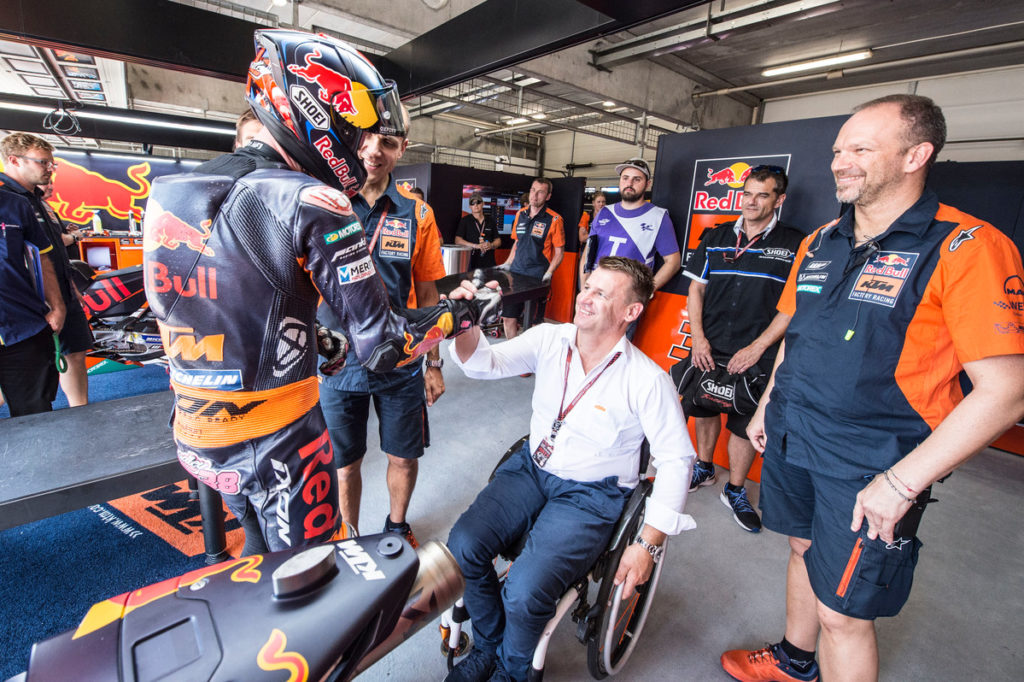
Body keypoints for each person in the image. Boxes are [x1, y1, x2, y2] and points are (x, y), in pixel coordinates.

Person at [144, 29, 497, 556]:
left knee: (253, 563)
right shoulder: (313, 199)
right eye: (353, 128)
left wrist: (319, 342)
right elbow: (384, 345)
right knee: (309, 584)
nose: (361, 145)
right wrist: (461, 315)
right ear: (314, 111)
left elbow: (219, 301)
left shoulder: (171, 190)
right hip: (280, 438)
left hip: (197, 432)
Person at [721, 95, 1024, 682]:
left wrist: (902, 482)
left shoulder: (967, 246)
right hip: (792, 433)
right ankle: (792, 661)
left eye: (860, 149)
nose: (840, 162)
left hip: (872, 462)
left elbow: (1007, 391)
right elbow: (797, 334)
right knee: (802, 548)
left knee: (844, 614)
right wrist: (767, 405)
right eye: (839, 150)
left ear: (916, 155)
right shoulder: (820, 241)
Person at [445, 256, 697, 682]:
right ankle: (489, 644)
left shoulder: (647, 380)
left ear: (631, 311)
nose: (585, 297)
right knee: (463, 546)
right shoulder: (550, 338)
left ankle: (512, 671)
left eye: (602, 294)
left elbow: (676, 459)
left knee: (525, 591)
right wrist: (466, 323)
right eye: (587, 287)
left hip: (591, 494)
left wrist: (648, 543)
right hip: (532, 468)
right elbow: (483, 363)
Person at [317, 102, 448, 546]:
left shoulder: (418, 214)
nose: (374, 151)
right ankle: (348, 537)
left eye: (387, 142)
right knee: (344, 465)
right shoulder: (325, 204)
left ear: (402, 148)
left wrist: (434, 363)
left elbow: (428, 296)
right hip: (336, 363)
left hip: (401, 362)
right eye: (367, 139)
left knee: (404, 457)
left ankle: (396, 527)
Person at [682, 165, 804, 533]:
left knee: (744, 421)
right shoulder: (716, 235)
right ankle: (704, 468)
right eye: (747, 193)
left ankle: (735, 489)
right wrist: (698, 338)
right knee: (703, 404)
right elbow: (696, 289)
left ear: (779, 200)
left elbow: (792, 306)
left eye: (762, 195)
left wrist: (758, 347)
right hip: (710, 342)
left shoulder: (795, 243)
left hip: (757, 351)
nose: (751, 202)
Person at [1, 133, 93, 407]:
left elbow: (48, 254)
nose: (49, 168)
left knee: (74, 352)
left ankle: (82, 413)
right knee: (26, 378)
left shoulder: (37, 201)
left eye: (52, 163)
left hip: (60, 292)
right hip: (25, 308)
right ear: (14, 160)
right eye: (42, 162)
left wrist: (68, 289)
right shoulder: (9, 200)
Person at [0, 189, 65, 417]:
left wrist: (57, 306)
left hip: (22, 327)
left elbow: (42, 258)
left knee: (35, 414)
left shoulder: (16, 205)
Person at [579, 159, 680, 295]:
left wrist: (647, 291)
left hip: (628, 295)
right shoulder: (604, 212)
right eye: (625, 178)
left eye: (637, 179)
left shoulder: (658, 217)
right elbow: (588, 252)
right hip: (596, 291)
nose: (629, 183)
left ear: (648, 184)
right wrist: (584, 287)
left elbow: (673, 262)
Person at [498, 177, 564, 339]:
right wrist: (507, 263)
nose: (535, 195)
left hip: (537, 277)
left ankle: (529, 353)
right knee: (508, 318)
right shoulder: (520, 214)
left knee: (533, 323)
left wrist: (549, 273)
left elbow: (559, 253)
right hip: (516, 274)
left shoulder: (554, 219)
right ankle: (514, 350)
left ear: (548, 196)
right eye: (533, 190)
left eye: (540, 192)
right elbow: (517, 242)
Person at [455, 191, 500, 270]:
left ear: (483, 204)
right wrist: (475, 246)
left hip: (489, 262)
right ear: (470, 206)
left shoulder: (490, 221)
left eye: (478, 202)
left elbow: (498, 240)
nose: (475, 205)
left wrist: (491, 245)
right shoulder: (465, 221)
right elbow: (457, 240)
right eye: (472, 203)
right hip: (471, 262)